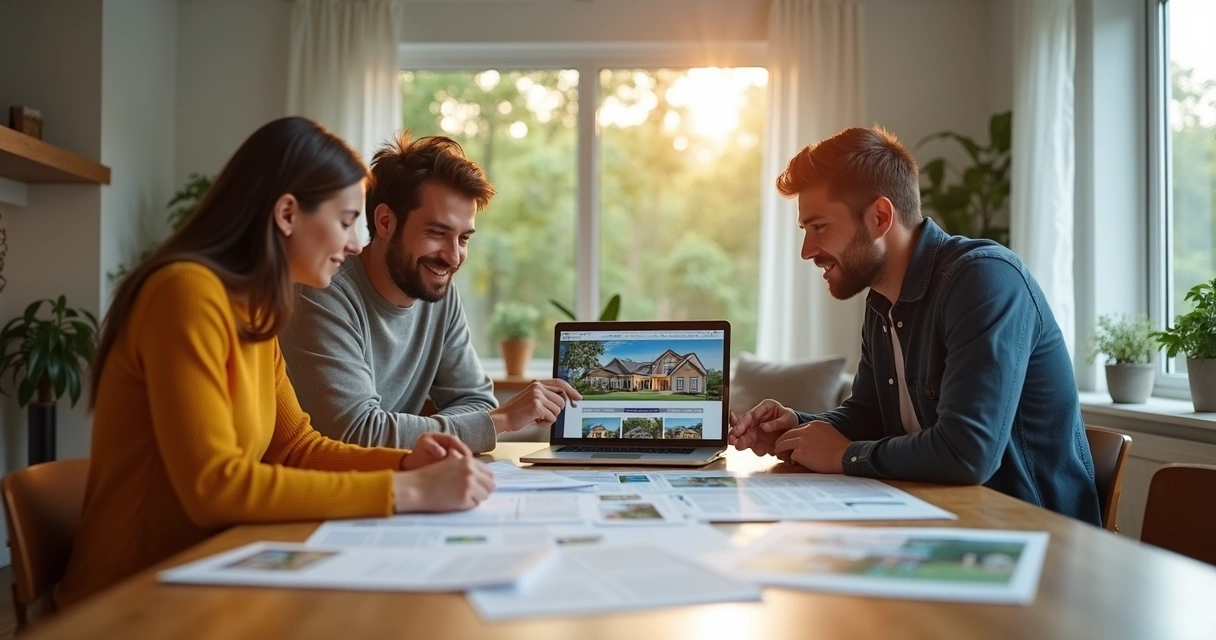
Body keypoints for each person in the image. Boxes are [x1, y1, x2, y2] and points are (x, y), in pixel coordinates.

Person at [58, 117, 496, 608]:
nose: (355, 243)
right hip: (132, 600)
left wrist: (407, 461)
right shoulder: (186, 293)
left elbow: (296, 447)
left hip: (212, 574)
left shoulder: (258, 311)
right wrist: (408, 491)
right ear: (288, 214)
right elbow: (213, 486)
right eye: (347, 220)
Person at [729, 125, 1102, 525]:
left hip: (1034, 537)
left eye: (819, 227)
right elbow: (868, 415)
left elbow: (968, 451)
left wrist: (843, 455)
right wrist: (799, 428)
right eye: (805, 231)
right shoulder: (881, 302)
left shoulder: (984, 280)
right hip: (943, 519)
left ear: (880, 217)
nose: (807, 251)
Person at [280, 133, 579, 454]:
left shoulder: (438, 292)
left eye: (463, 239)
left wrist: (412, 433)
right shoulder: (321, 292)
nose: (452, 257)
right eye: (437, 233)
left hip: (399, 479)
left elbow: (474, 399)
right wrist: (499, 420)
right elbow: (355, 432)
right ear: (385, 222)